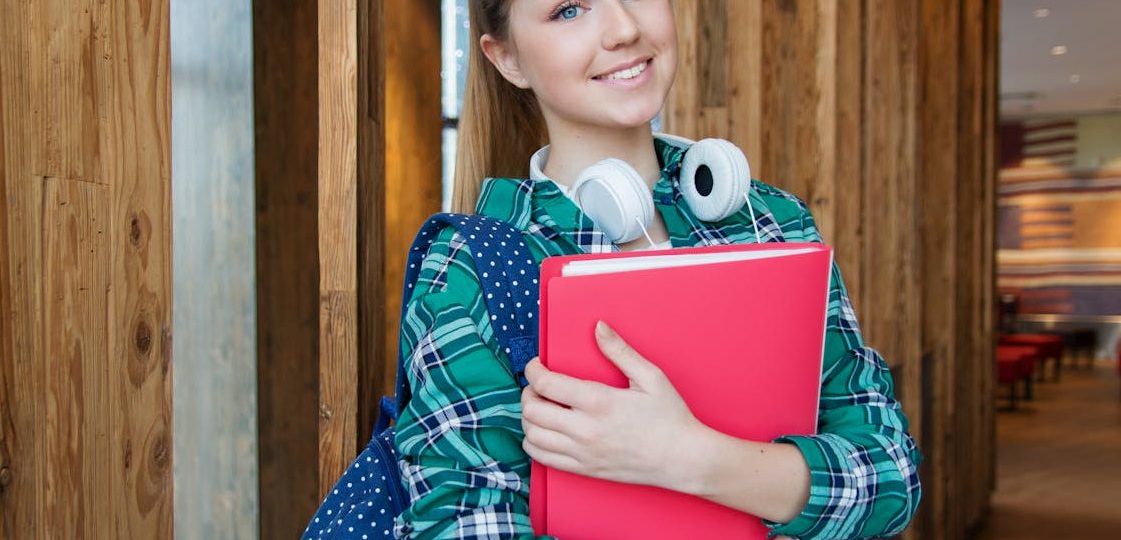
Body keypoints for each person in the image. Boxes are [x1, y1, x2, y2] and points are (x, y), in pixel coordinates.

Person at [392, 1, 922, 538]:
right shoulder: (474, 268)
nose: (625, 28)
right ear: (506, 58)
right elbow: (461, 525)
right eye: (569, 9)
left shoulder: (771, 224)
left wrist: (689, 458)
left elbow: (891, 475)